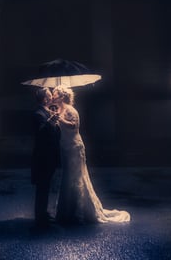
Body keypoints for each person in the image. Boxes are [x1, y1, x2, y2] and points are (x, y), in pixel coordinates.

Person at [53, 86, 130, 224]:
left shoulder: (71, 110)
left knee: (75, 177)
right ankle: (67, 209)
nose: (53, 96)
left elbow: (74, 126)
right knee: (67, 176)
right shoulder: (58, 110)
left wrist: (60, 120)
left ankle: (78, 210)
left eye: (55, 94)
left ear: (62, 97)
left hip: (74, 147)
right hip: (64, 146)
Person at [31, 87, 61, 226]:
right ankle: (40, 216)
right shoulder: (38, 114)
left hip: (50, 154)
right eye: (49, 95)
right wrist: (50, 121)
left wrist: (55, 121)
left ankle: (43, 212)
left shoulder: (48, 111)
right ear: (44, 99)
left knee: (46, 185)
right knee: (42, 185)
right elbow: (41, 132)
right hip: (43, 156)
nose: (52, 97)